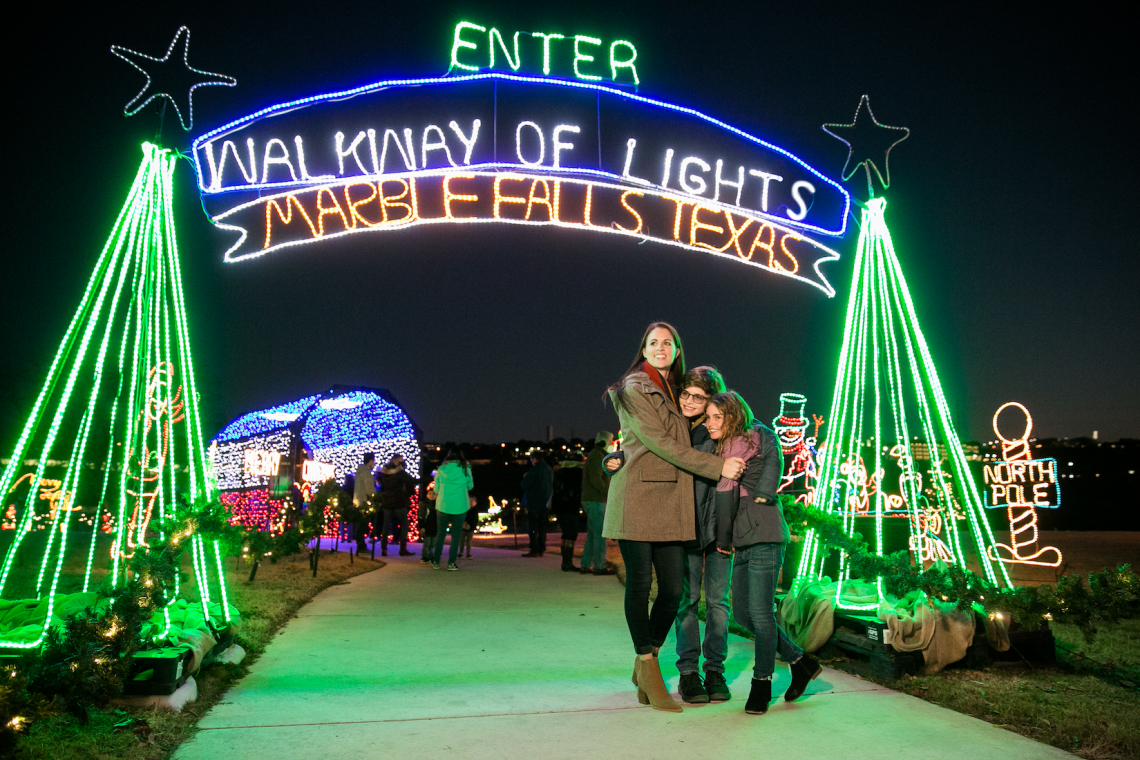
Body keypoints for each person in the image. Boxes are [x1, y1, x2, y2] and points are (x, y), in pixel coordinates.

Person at [603, 322, 745, 713]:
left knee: (672, 592)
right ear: (644, 349)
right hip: (638, 496)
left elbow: (709, 416)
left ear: (677, 349)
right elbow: (658, 441)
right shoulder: (634, 387)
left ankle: (643, 660)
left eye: (668, 342)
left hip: (669, 500)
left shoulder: (678, 389)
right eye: (653, 342)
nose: (660, 347)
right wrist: (717, 467)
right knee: (640, 585)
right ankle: (648, 666)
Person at [708, 391, 821, 715]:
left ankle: (762, 681)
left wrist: (764, 492)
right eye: (709, 417)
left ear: (732, 416)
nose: (710, 422)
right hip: (744, 539)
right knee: (744, 614)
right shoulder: (729, 447)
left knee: (760, 613)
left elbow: (772, 457)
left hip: (765, 534)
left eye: (718, 417)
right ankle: (800, 662)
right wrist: (726, 538)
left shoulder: (754, 438)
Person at [580, 432, 615, 575]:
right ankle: (599, 566)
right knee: (600, 535)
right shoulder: (598, 456)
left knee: (592, 534)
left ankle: (586, 564)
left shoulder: (595, 454)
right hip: (596, 500)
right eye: (611, 441)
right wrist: (606, 492)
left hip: (592, 499)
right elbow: (596, 478)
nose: (612, 444)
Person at [433, 450, 473, 570]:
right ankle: (451, 563)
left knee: (440, 534)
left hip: (443, 505)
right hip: (460, 505)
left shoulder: (441, 469)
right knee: (456, 535)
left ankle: (436, 561)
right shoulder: (466, 469)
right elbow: (470, 486)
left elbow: (436, 489)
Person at [379, 453, 417, 557]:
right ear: (396, 461)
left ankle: (384, 549)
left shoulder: (384, 472)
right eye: (401, 460)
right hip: (399, 501)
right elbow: (412, 480)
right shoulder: (400, 473)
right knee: (404, 524)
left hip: (387, 501)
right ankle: (403, 549)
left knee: (386, 526)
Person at [552, 456, 583, 572]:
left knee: (565, 534)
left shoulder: (560, 473)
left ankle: (565, 561)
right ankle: (568, 561)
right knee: (572, 534)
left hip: (560, 507)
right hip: (571, 506)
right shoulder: (578, 473)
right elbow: (578, 490)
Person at [520, 452, 553, 558]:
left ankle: (534, 549)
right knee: (543, 527)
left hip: (534, 502)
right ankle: (541, 548)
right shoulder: (549, 469)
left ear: (533, 459)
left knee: (533, 527)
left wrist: (525, 477)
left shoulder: (534, 469)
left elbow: (526, 484)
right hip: (546, 502)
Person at [353, 453, 377, 553]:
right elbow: (369, 490)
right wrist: (373, 499)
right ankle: (361, 546)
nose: (374, 463)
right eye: (373, 460)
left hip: (358, 502)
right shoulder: (366, 473)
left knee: (360, 525)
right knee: (363, 525)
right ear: (370, 461)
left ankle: (360, 545)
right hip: (364, 503)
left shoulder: (359, 472)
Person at [419, 478, 438, 564]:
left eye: (433, 494)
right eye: (430, 493)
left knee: (433, 543)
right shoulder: (424, 505)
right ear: (427, 494)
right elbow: (421, 516)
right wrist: (422, 526)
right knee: (427, 543)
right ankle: (424, 556)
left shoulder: (437, 506)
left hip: (434, 527)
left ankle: (431, 556)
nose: (431, 495)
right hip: (427, 526)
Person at [461, 495, 479, 559]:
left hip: (471, 528)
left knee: (469, 541)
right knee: (462, 540)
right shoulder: (464, 508)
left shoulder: (475, 510)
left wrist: (472, 526)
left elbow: (475, 519)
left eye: (472, 501)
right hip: (463, 527)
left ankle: (468, 554)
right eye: (469, 500)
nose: (470, 502)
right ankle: (461, 553)